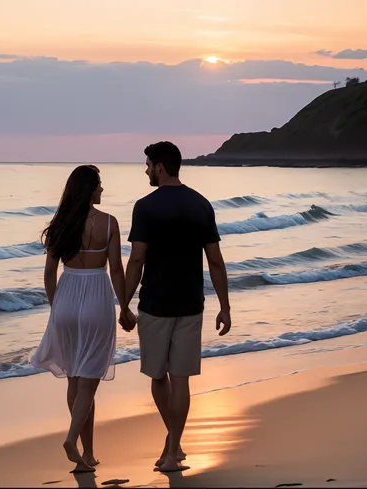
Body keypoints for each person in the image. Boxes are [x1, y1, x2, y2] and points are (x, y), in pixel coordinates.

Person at [120, 141, 232, 473]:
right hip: (190, 302)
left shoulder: (145, 207)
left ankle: (172, 447)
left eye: (148, 165)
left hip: (155, 303)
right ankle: (173, 447)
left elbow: (137, 258)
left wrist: (124, 303)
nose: (146, 171)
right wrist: (225, 306)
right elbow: (215, 261)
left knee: (158, 377)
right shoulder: (201, 204)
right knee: (180, 377)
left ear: (160, 167)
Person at [30, 164, 134, 473]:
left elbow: (49, 273)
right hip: (95, 298)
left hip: (66, 300)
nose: (102, 189)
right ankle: (72, 440)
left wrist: (56, 307)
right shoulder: (109, 223)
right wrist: (125, 306)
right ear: (89, 189)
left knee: (75, 379)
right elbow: (116, 268)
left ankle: (87, 456)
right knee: (89, 381)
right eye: (99, 185)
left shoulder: (61, 223)